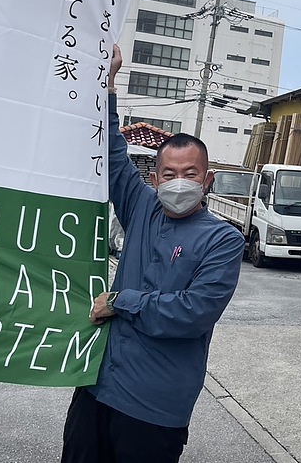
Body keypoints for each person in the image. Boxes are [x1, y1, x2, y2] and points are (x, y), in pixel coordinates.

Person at [61, 44, 245, 463]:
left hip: (156, 405)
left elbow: (192, 313)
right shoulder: (142, 206)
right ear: (155, 176)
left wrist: (121, 301)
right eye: (169, 173)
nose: (179, 183)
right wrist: (106, 84)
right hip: (97, 387)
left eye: (190, 174)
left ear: (208, 179)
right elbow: (110, 156)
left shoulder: (223, 239)